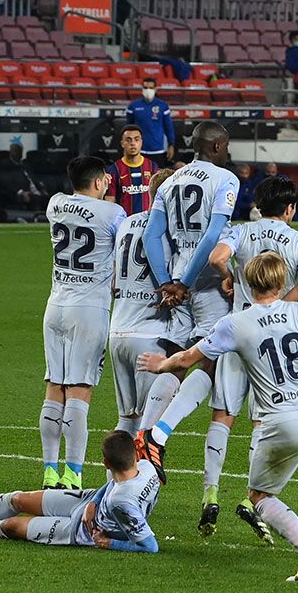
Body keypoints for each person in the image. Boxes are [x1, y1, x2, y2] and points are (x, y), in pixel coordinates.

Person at [139, 252, 298, 581]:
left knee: (259, 497)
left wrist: (161, 365)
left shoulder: (235, 323)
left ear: (245, 282)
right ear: (282, 281)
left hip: (282, 420)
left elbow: (188, 359)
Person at [198, 177, 298, 540]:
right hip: (274, 341)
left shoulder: (241, 231)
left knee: (223, 416)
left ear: (259, 205)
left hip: (239, 332)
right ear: (290, 208)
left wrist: (231, 278)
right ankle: (252, 500)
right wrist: (284, 303)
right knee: (262, 423)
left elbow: (217, 257)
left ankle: (210, 494)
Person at [137, 121, 240, 485]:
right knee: (208, 362)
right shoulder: (225, 179)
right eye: (225, 146)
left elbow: (152, 233)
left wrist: (167, 280)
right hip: (206, 284)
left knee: (176, 359)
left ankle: (142, 435)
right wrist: (186, 281)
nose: (227, 151)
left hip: (178, 282)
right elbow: (213, 234)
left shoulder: (170, 181)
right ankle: (158, 433)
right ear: (214, 147)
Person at [40, 156, 128, 490]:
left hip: (56, 307)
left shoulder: (55, 204)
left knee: (54, 388)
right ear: (101, 181)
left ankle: (50, 470)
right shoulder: (113, 213)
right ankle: (73, 473)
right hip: (89, 309)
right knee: (79, 390)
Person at [0, 431, 161, 554]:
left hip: (83, 531)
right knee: (19, 499)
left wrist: (109, 543)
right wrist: (95, 501)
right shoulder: (146, 467)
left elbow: (150, 546)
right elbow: (116, 485)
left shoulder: (123, 501)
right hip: (91, 502)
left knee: (11, 526)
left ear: (105, 464)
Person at [108, 168, 188, 440]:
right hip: (150, 336)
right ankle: (139, 482)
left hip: (118, 331)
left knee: (126, 422)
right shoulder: (169, 231)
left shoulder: (127, 224)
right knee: (147, 428)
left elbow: (114, 282)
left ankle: (117, 481)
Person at [105, 124, 159, 215]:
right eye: (128, 140)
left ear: (141, 142)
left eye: (136, 139)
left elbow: (159, 198)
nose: (133, 143)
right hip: (124, 224)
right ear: (122, 143)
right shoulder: (114, 170)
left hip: (147, 222)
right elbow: (110, 202)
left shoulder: (152, 167)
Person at [125, 79, 175, 162]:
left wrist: (171, 145)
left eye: (151, 88)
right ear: (142, 88)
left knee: (157, 174)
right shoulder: (133, 106)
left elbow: (168, 127)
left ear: (155, 89)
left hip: (158, 149)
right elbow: (128, 128)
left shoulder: (163, 106)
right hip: (138, 149)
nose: (148, 90)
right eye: (145, 87)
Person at [0, 143, 47, 212]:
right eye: (15, 151)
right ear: (10, 152)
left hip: (36, 192)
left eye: (19, 151)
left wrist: (42, 189)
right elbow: (6, 182)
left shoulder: (25, 165)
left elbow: (33, 179)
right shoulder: (5, 165)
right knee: (34, 199)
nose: (17, 153)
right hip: (23, 193)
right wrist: (21, 192)